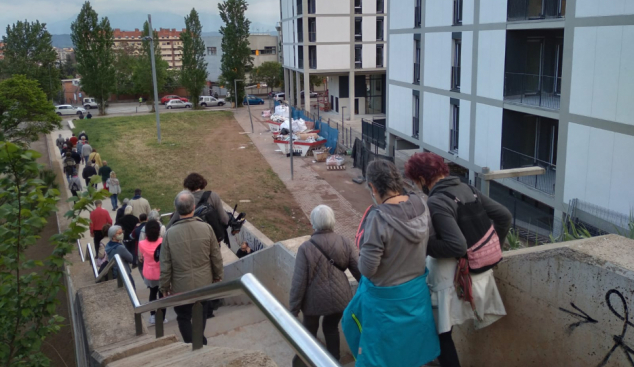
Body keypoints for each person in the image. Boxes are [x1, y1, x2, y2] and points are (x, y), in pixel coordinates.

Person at [404, 153, 511, 367]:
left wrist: (423, 245)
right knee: (441, 334)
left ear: (423, 179)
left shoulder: (437, 200)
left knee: (441, 335)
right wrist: (488, 248)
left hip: (453, 281)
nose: (417, 186)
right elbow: (505, 216)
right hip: (479, 276)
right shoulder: (468, 189)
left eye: (416, 182)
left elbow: (457, 245)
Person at [342, 160, 440, 367]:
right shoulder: (422, 205)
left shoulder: (378, 219)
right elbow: (430, 243)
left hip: (385, 306)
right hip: (416, 298)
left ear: (373, 187)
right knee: (413, 353)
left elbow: (367, 269)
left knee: (377, 351)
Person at [289, 205, 361, 363]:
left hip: (313, 304)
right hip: (341, 300)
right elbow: (359, 272)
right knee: (331, 327)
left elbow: (298, 282)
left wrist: (293, 309)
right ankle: (334, 361)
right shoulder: (344, 242)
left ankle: (303, 362)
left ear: (313, 223)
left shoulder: (306, 248)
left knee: (309, 333)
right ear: (333, 221)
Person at [160, 191, 223, 345]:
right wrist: (218, 275)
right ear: (194, 207)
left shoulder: (169, 234)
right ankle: (198, 340)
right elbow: (215, 256)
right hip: (204, 283)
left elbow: (166, 264)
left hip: (181, 286)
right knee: (201, 313)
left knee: (183, 317)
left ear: (176, 209)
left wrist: (164, 286)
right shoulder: (206, 228)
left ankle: (193, 343)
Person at [166, 173, 229, 242]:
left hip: (193, 242)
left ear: (187, 186)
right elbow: (225, 219)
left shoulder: (185, 200)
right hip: (212, 239)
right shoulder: (213, 196)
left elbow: (169, 228)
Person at [138, 220, 168, 325]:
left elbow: (142, 256)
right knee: (162, 295)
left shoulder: (141, 244)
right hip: (161, 272)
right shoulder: (163, 242)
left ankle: (152, 316)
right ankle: (162, 317)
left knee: (152, 293)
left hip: (149, 274)